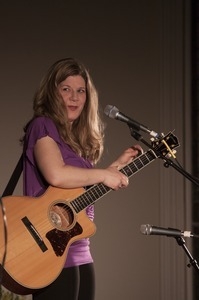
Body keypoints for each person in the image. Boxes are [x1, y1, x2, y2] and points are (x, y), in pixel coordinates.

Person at [21, 57, 142, 300]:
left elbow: (77, 191)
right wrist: (104, 174)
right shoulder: (42, 126)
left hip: (79, 248)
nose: (74, 97)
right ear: (53, 93)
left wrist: (116, 167)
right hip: (50, 249)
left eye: (81, 91)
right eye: (66, 89)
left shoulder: (76, 142)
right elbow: (56, 174)